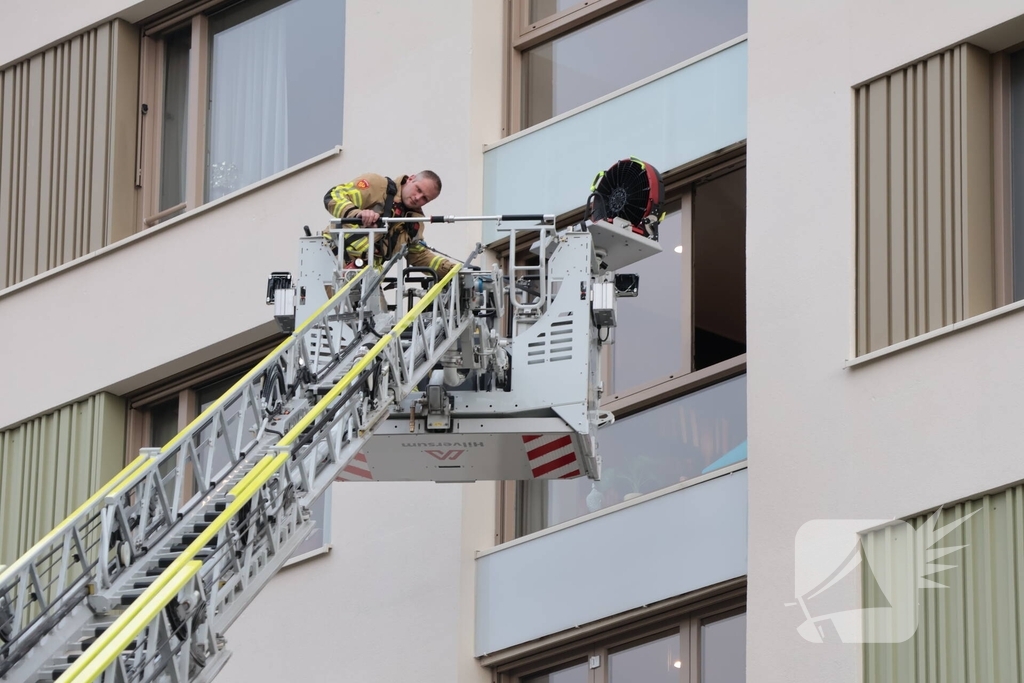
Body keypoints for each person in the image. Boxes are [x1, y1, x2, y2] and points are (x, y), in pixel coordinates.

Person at [323, 171, 458, 276]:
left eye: (425, 199)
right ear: (410, 179)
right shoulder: (378, 185)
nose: (418, 198)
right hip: (331, 256)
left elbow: (419, 255)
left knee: (378, 306)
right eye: (418, 189)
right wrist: (357, 214)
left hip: (365, 273)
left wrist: (453, 270)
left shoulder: (414, 222)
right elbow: (334, 196)